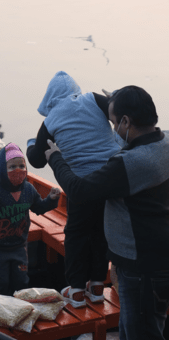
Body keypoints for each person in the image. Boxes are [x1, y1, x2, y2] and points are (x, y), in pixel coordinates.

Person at [45, 86, 169, 340]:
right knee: (141, 328)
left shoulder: (130, 164)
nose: (113, 130)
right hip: (160, 254)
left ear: (126, 121)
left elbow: (79, 191)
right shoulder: (165, 142)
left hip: (140, 267)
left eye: (114, 123)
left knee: (139, 332)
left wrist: (56, 158)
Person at [26, 71, 120, 307]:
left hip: (80, 186)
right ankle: (97, 286)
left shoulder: (50, 120)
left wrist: (30, 145)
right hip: (110, 180)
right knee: (101, 232)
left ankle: (77, 290)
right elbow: (118, 114)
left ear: (50, 98)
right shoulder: (94, 99)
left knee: (77, 235)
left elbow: (37, 160)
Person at [0, 143, 60, 296]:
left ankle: (20, 311)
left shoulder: (29, 189)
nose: (17, 170)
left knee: (21, 281)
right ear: (2, 169)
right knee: (0, 283)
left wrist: (51, 199)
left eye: (21, 165)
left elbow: (39, 208)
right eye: (11, 167)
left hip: (19, 245)